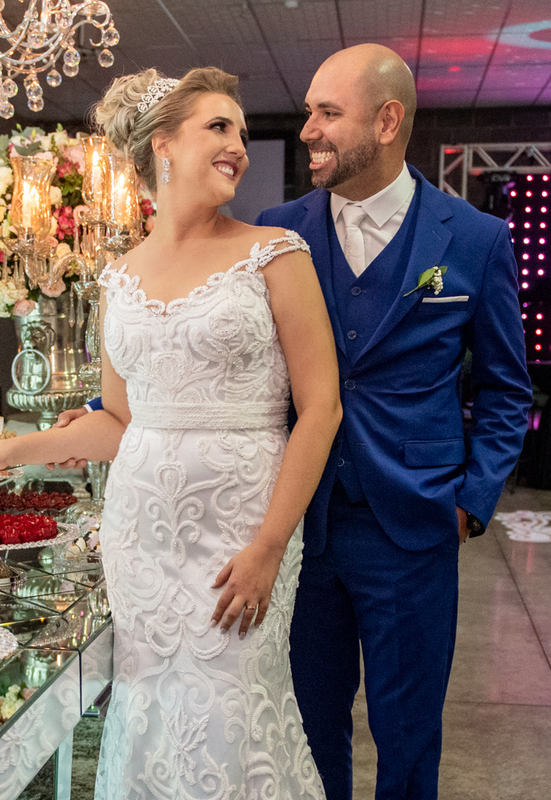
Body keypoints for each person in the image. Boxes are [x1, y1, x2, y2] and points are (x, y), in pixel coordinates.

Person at [53, 44, 532, 800]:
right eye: (307, 110)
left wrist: (470, 502)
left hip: (413, 523)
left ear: (387, 120)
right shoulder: (280, 229)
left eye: (327, 113)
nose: (306, 128)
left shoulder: (473, 239)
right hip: (292, 522)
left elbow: (507, 389)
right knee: (307, 726)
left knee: (409, 733)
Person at [0, 67, 341, 799]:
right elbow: (118, 425)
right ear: (164, 146)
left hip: (244, 534)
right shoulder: (117, 278)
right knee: (148, 709)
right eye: (218, 127)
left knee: (232, 710)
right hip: (143, 540)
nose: (238, 147)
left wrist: (269, 547)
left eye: (242, 134)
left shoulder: (276, 255)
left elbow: (322, 410)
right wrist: (7, 451)